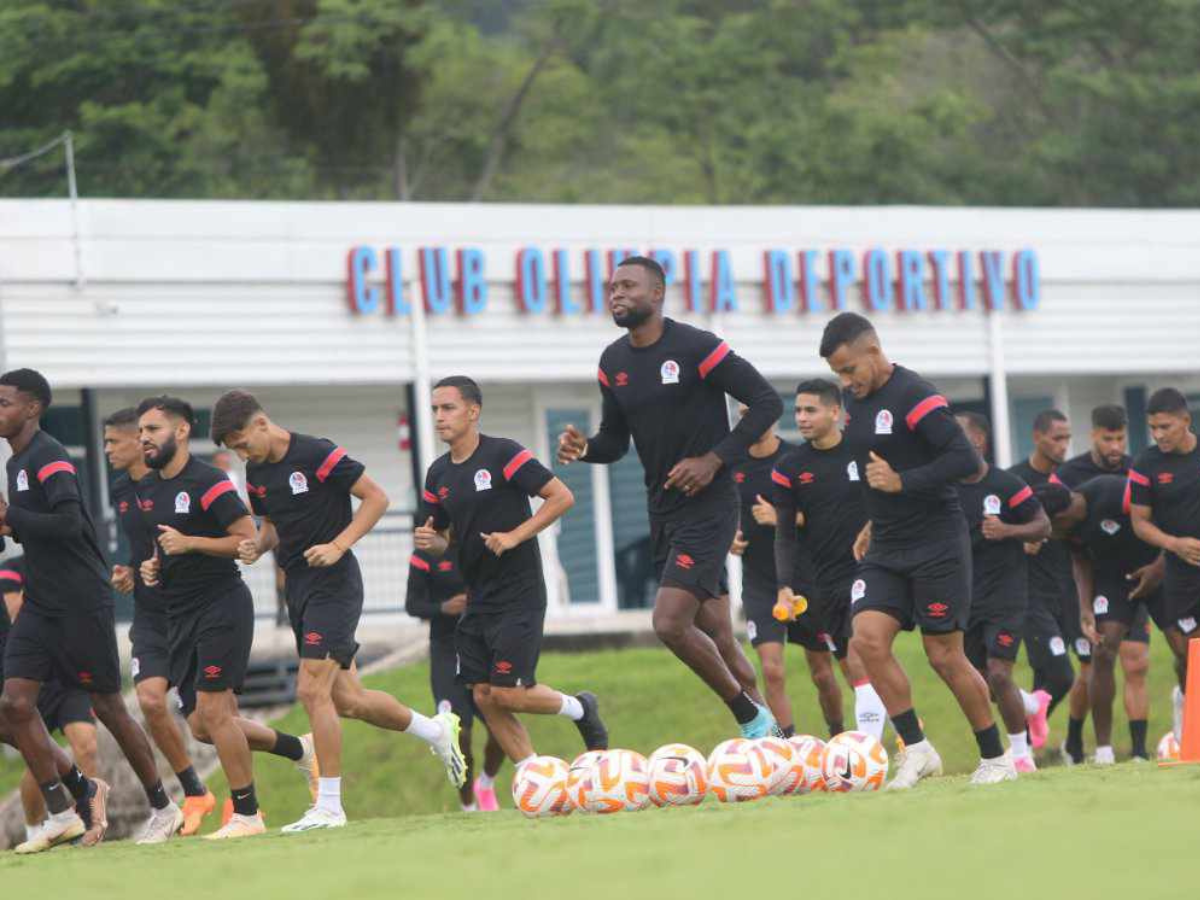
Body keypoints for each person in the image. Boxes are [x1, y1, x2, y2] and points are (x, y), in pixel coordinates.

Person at [210, 389, 467, 832]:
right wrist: (257, 544)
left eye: (241, 442)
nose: (240, 452)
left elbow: (376, 498)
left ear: (260, 423)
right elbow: (271, 526)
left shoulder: (317, 452)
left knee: (312, 692)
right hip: (300, 591)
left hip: (336, 585)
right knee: (349, 700)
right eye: (232, 448)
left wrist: (338, 544)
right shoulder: (255, 471)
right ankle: (436, 731)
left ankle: (330, 806)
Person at [557, 256, 783, 737]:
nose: (616, 293)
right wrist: (586, 450)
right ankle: (777, 744)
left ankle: (751, 719)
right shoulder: (612, 363)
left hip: (712, 507)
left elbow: (767, 403)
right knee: (721, 637)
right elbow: (615, 442)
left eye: (628, 285)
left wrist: (714, 460)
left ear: (657, 294)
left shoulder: (698, 347)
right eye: (612, 286)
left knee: (669, 623)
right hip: (663, 513)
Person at [818, 313, 1012, 787]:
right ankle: (918, 749)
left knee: (944, 655)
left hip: (937, 543)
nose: (845, 382)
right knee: (865, 639)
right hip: (887, 543)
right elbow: (873, 467)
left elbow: (966, 461)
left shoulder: (916, 396)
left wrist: (904, 482)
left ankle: (996, 758)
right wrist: (870, 520)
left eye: (849, 370)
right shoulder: (854, 400)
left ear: (872, 351)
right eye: (837, 374)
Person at [0, 368, 179, 852]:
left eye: (4, 402)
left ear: (32, 408)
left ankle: (164, 805)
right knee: (13, 706)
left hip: (80, 601)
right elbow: (32, 529)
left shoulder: (49, 455)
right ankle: (69, 804)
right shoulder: (16, 463)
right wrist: (11, 527)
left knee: (108, 707)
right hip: (41, 602)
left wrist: (10, 517)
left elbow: (68, 521)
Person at [136, 395, 316, 840]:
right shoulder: (150, 489)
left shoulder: (210, 481)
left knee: (216, 712)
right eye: (140, 432)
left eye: (152, 430)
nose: (143, 439)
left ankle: (248, 815)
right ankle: (299, 748)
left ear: (180, 432)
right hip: (178, 614)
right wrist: (154, 565)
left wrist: (192, 543)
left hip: (222, 606)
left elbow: (247, 539)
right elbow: (167, 543)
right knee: (201, 726)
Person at [417, 376, 608, 766]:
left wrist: (515, 536)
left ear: (473, 412)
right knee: (483, 695)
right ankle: (534, 775)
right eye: (435, 409)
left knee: (508, 693)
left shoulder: (504, 454)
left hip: (519, 593)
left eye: (448, 408)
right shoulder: (438, 474)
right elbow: (445, 539)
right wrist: (431, 542)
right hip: (477, 597)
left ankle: (581, 709)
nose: (439, 417)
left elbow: (561, 497)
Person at [104, 408, 217, 835]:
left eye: (115, 441)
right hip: (151, 616)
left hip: (190, 610)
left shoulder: (167, 483)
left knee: (208, 725)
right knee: (150, 700)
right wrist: (129, 572)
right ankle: (193, 791)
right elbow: (141, 546)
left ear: (138, 440)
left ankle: (293, 751)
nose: (108, 449)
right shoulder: (121, 489)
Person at [768, 380, 888, 741]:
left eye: (810, 410)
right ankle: (910, 733)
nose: (802, 418)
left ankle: (868, 754)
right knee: (852, 671)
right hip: (825, 582)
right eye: (798, 411)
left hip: (873, 571)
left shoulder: (865, 452)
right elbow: (785, 534)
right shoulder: (790, 468)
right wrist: (784, 586)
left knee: (858, 656)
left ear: (835, 412)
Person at [1036, 476, 1177, 764]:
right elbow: (1081, 561)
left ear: (1061, 517)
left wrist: (1158, 568)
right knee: (1102, 650)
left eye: (1050, 529)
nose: (1048, 536)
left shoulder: (1114, 493)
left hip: (1159, 569)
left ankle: (1186, 717)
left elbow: (1172, 521)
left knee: (1185, 648)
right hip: (1115, 581)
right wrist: (1085, 607)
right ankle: (1104, 751)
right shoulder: (1069, 530)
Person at [1054, 404, 1153, 761]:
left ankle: (1139, 751)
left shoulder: (1137, 471)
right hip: (1083, 579)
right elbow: (1058, 530)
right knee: (1089, 665)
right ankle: (1076, 740)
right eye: (1107, 438)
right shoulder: (1068, 475)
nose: (1114, 446)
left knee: (1136, 659)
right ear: (1093, 435)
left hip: (1134, 573)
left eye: (1120, 439)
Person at [955, 413, 1051, 773]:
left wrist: (1009, 530)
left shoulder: (1007, 484)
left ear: (978, 441)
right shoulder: (945, 488)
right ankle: (1029, 704)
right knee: (979, 682)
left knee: (998, 673)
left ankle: (1020, 754)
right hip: (964, 597)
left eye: (957, 436)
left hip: (1006, 595)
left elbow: (1043, 525)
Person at [1, 559, 100, 844]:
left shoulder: (68, 564)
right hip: (31, 681)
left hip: (66, 675)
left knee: (86, 744)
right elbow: (15, 613)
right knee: (33, 751)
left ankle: (89, 819)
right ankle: (36, 827)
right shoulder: (12, 569)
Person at [406, 543, 506, 811]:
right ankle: (468, 808)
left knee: (502, 729)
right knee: (459, 734)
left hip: (482, 646)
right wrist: (443, 607)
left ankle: (485, 784)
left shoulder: (481, 543)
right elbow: (412, 605)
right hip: (445, 651)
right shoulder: (424, 554)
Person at [1128, 388, 1200, 741]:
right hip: (1181, 573)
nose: (1158, 435)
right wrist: (1175, 544)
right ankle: (1185, 697)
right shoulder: (1146, 465)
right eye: (1153, 427)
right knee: (1191, 654)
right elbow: (1140, 523)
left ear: (1186, 421)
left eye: (1165, 427)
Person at [1007, 410, 1074, 752]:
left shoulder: (1069, 481)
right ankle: (1024, 738)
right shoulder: (1015, 481)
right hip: (1028, 593)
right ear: (1037, 436)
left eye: (1067, 438)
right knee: (1063, 675)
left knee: (1044, 677)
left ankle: (1024, 752)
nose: (1063, 446)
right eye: (1057, 438)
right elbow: (995, 536)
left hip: (1065, 590)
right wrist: (1021, 541)